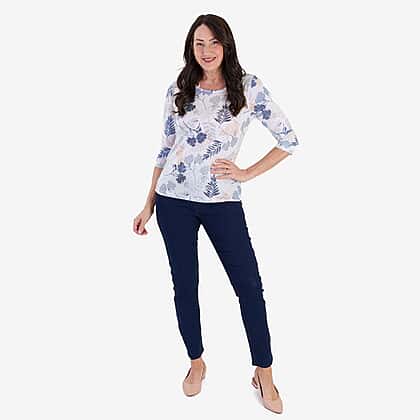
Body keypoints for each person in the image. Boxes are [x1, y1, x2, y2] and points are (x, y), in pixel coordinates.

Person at [133, 14, 299, 414]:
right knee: (185, 286)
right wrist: (148, 202)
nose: (206, 51)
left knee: (250, 287)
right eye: (199, 43)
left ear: (226, 45)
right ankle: (196, 362)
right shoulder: (180, 87)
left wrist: (246, 173)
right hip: (173, 201)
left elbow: (288, 139)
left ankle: (264, 372)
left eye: (213, 43)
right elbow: (165, 148)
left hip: (223, 202)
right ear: (190, 48)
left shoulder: (248, 87)